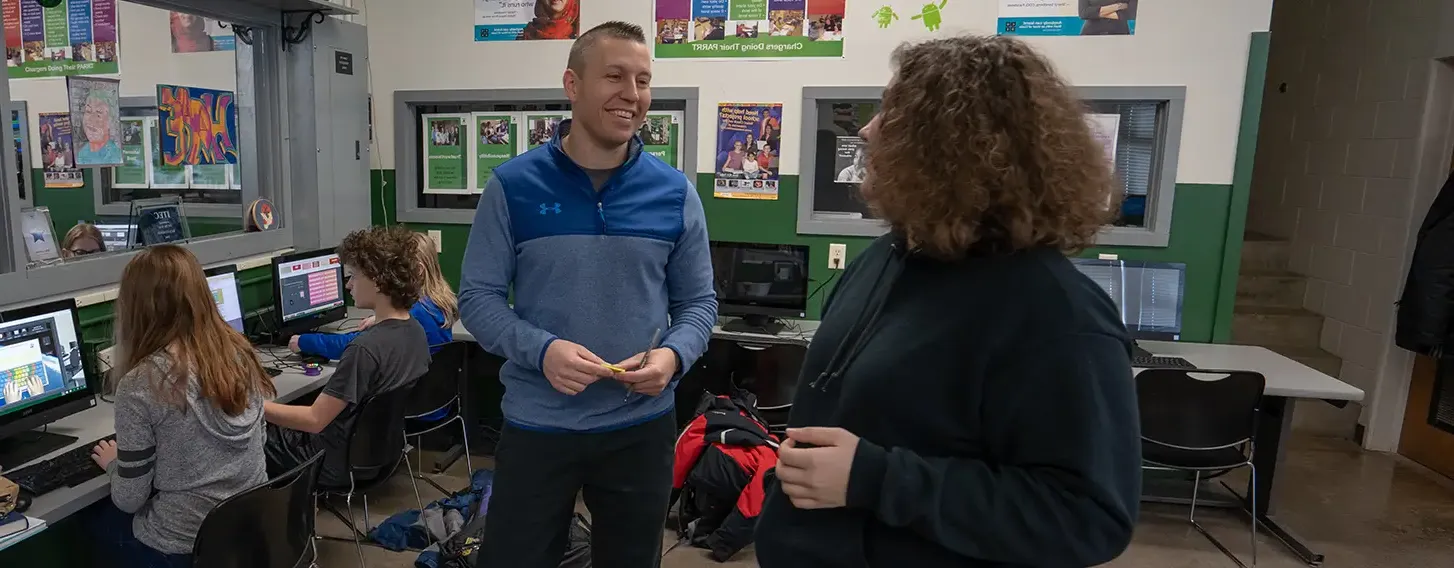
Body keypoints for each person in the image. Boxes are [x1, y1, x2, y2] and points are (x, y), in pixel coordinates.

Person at [754, 34, 1141, 567]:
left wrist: (879, 479)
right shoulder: (886, 258)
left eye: (891, 114)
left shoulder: (1056, 315)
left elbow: (1087, 517)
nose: (866, 130)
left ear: (947, 147)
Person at [459, 21, 716, 568]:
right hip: (537, 426)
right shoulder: (512, 186)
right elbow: (478, 299)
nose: (632, 94)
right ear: (573, 84)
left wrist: (671, 357)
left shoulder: (675, 194)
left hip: (639, 428)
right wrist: (542, 349)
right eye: (615, 76)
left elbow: (699, 305)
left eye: (643, 80)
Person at [88, 245, 276, 567]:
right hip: (245, 530)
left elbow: (130, 500)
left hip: (180, 545)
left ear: (135, 308)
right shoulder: (240, 355)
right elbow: (260, 441)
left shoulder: (139, 385)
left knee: (92, 523)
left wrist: (113, 464)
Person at [262, 225, 431, 486]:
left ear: (377, 280)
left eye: (353, 276)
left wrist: (255, 409)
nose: (349, 284)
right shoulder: (416, 332)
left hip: (334, 463)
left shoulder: (364, 349)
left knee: (257, 432)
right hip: (380, 455)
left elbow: (315, 420)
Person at [290, 232, 456, 359]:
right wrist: (382, 320)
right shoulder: (436, 303)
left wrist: (304, 342)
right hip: (431, 402)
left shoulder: (416, 315)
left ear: (418, 270)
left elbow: (354, 346)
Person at [76, 88, 122, 165]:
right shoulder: (82, 153)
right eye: (88, 111)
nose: (91, 119)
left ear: (110, 122)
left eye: (99, 114)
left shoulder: (114, 155)